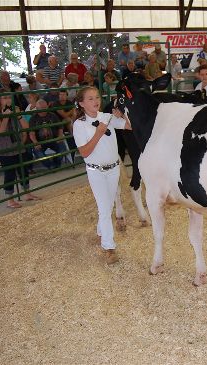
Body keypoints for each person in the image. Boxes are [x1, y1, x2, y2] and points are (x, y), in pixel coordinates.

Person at [72, 86, 132, 264]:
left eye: (97, 97)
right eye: (90, 98)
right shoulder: (79, 125)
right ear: (81, 103)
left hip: (113, 169)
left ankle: (101, 231)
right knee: (105, 209)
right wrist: (98, 133)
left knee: (107, 205)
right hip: (95, 171)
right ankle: (109, 247)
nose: (95, 101)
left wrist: (122, 116)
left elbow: (129, 126)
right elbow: (84, 152)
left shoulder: (107, 117)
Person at [0, 89, 40, 208]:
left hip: (17, 146)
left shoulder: (15, 110)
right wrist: (6, 117)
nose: (7, 100)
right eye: (4, 98)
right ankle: (10, 200)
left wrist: (18, 116)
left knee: (23, 171)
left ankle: (27, 194)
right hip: (4, 148)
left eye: (9, 97)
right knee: (10, 174)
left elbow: (26, 127)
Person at [28, 99, 66, 169]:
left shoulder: (53, 115)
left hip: (54, 139)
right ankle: (50, 165)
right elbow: (31, 133)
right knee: (39, 154)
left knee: (62, 150)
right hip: (40, 142)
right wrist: (35, 142)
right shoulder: (33, 119)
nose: (44, 110)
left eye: (45, 108)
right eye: (42, 109)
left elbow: (60, 127)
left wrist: (60, 136)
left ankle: (56, 163)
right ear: (37, 109)